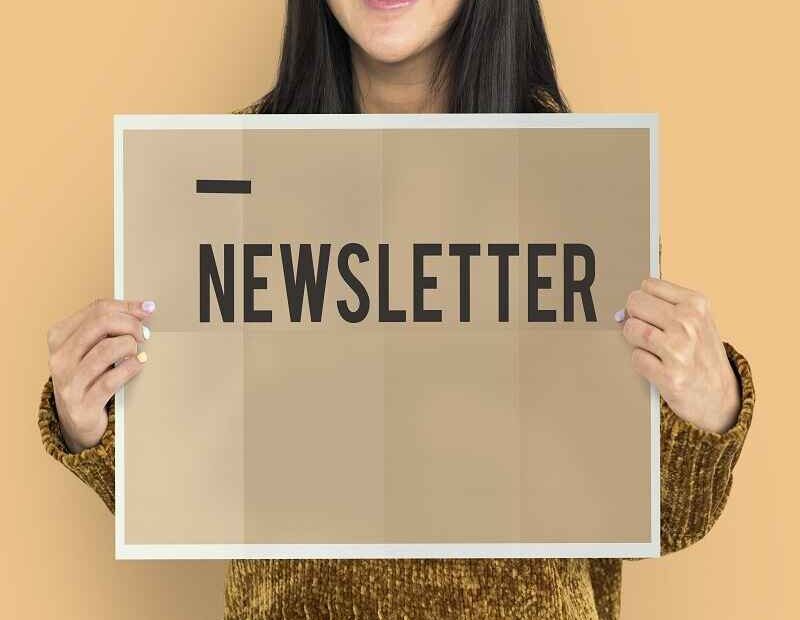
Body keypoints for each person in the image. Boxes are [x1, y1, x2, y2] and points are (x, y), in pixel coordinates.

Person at [38, 1, 755, 618]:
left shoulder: (582, 188)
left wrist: (710, 404)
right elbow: (190, 483)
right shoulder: (223, 177)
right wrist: (90, 417)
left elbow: (666, 516)